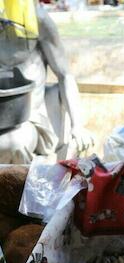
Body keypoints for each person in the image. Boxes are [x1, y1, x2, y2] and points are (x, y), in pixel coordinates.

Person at [0, 0, 93, 164]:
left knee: (12, 144)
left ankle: (18, 188)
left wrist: (77, 125)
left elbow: (65, 75)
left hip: (29, 119)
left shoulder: (38, 20)